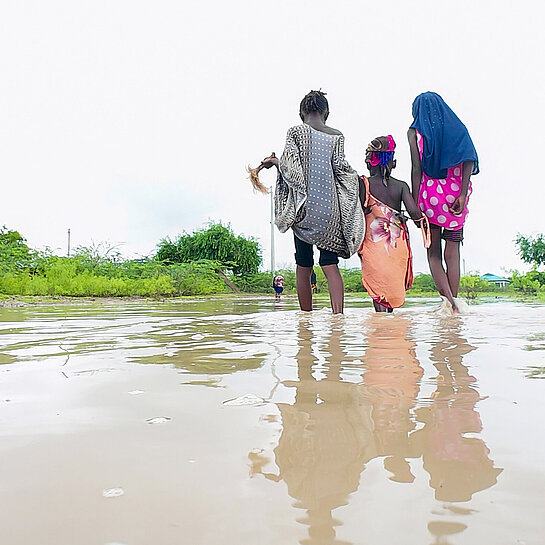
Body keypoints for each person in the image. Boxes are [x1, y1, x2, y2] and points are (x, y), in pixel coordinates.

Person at [260, 90, 363, 314]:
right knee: (329, 263)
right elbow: (343, 171)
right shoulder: (337, 136)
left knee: (304, 264)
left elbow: (291, 170)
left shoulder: (295, 132)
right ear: (326, 112)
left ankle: (305, 318)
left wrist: (275, 161)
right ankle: (338, 316)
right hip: (330, 211)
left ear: (301, 113)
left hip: (303, 208)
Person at [408, 92, 479, 313]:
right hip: (455, 196)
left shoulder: (414, 134)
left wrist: (415, 202)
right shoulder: (457, 128)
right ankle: (455, 302)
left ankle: (448, 302)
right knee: (453, 249)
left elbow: (416, 170)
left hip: (430, 197)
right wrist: (462, 193)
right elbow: (469, 159)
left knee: (433, 253)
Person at [358, 136, 429, 312]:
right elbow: (415, 215)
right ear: (393, 163)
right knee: (390, 290)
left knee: (379, 292)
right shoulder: (402, 186)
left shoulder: (364, 184)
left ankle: (382, 333)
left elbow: (357, 214)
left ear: (368, 162)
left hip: (374, 246)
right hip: (397, 246)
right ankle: (391, 333)